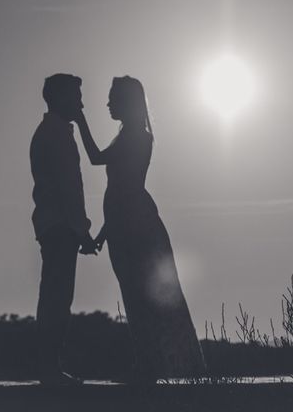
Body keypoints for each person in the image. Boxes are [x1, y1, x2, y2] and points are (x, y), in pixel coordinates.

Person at [75, 76, 206, 383]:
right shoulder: (128, 137)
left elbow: (116, 182)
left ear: (127, 102)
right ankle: (149, 364)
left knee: (144, 296)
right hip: (125, 223)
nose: (107, 104)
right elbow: (118, 189)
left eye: (112, 98)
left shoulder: (138, 138)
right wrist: (103, 235)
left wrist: (80, 118)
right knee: (136, 295)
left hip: (135, 225)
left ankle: (153, 366)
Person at [29, 73, 98, 386]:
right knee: (57, 297)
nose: (81, 104)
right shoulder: (55, 135)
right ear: (58, 98)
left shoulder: (53, 132)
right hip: (59, 226)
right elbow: (68, 189)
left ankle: (49, 366)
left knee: (56, 296)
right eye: (77, 97)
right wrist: (82, 231)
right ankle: (48, 369)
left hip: (55, 224)